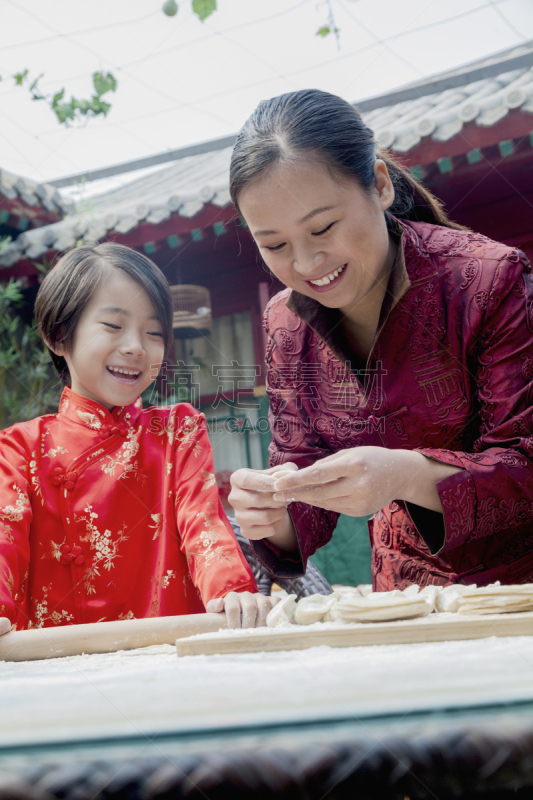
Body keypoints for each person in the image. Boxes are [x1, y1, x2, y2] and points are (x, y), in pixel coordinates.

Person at [228, 88, 533, 591]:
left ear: (380, 185)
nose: (305, 265)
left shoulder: (488, 279)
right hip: (400, 602)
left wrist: (407, 474)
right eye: (275, 245)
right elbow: (298, 470)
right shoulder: (286, 322)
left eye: (323, 228)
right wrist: (271, 513)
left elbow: (524, 462)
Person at [0, 242, 277, 636]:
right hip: (59, 663)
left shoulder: (177, 431)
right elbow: (3, 538)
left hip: (168, 654)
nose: (135, 347)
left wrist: (231, 589)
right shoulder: (18, 448)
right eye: (113, 326)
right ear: (59, 336)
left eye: (154, 332)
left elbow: (203, 524)